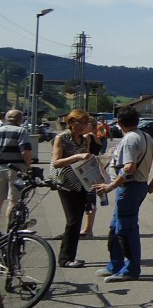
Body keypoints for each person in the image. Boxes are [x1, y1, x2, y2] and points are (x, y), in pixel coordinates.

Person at [94, 107, 153, 282]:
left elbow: (129, 168)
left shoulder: (129, 140)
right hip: (138, 186)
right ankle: (115, 265)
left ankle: (130, 270)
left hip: (129, 188)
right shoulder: (145, 136)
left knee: (126, 229)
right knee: (116, 227)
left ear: (119, 122)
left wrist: (111, 186)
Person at [49, 109, 96, 268]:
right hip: (66, 183)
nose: (83, 126)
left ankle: (70, 256)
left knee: (77, 220)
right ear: (70, 122)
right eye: (79, 122)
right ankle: (65, 259)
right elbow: (56, 162)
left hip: (81, 182)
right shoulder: (62, 138)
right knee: (73, 220)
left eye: (85, 123)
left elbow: (86, 160)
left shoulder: (84, 139)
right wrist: (76, 157)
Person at [0, 108, 35, 226]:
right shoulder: (21, 131)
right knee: (13, 201)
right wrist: (28, 166)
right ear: (20, 120)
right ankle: (10, 229)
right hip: (16, 169)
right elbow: (25, 151)